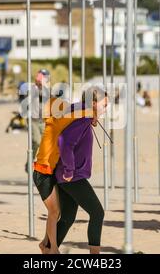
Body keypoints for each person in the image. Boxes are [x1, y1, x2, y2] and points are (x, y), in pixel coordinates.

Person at [33, 97, 91, 254]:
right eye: (62, 107)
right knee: (54, 212)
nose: (66, 109)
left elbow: (74, 111)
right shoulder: (55, 122)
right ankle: (53, 249)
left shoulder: (57, 121)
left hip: (50, 172)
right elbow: (76, 113)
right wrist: (92, 112)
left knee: (56, 212)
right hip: (42, 173)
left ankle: (45, 244)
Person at [55, 86, 108, 254]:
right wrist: (69, 171)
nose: (106, 108)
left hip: (65, 175)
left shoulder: (82, 114)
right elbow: (64, 142)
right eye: (104, 105)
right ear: (93, 103)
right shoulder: (83, 117)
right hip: (72, 176)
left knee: (68, 217)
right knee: (97, 213)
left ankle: (48, 248)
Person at [21, 69, 51, 173]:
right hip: (33, 120)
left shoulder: (49, 89)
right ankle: (29, 163)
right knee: (37, 141)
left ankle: (41, 164)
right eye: (41, 76)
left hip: (43, 121)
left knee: (45, 144)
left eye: (45, 76)